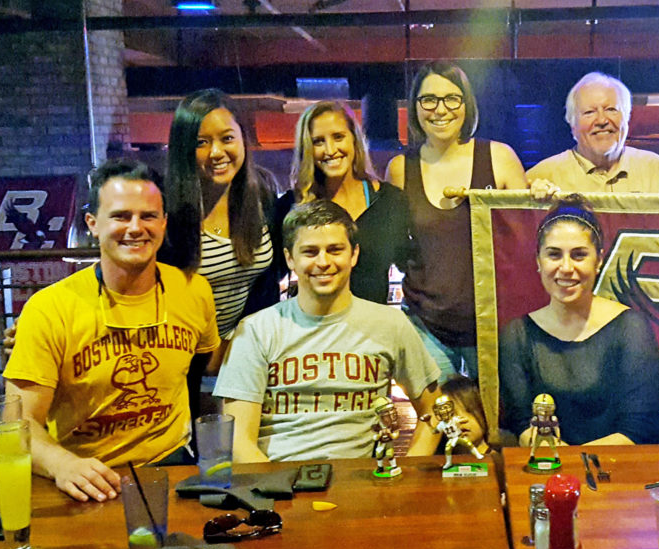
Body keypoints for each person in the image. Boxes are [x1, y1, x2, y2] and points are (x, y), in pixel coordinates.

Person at [3, 159, 220, 502]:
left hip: (174, 468)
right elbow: (16, 425)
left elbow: (209, 364)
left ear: (163, 224)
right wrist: (62, 464)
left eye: (148, 216)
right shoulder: (49, 309)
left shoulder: (194, 291)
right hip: (86, 475)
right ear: (93, 224)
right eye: (121, 216)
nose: (135, 228)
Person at [213, 200, 441, 462]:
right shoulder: (256, 331)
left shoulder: (391, 325)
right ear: (290, 258)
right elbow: (238, 440)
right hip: (279, 487)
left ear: (354, 254)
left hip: (360, 488)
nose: (323, 262)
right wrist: (275, 494)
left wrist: (406, 475)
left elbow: (435, 411)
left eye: (335, 250)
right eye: (310, 252)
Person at [387, 61, 528, 382]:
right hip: (426, 326)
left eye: (452, 98)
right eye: (429, 100)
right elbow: (394, 245)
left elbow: (526, 244)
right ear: (415, 107)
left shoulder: (500, 158)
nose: (440, 109)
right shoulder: (399, 169)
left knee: (499, 427)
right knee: (441, 425)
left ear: (467, 105)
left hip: (495, 325)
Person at [499, 194, 659, 446]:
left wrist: (575, 466)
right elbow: (522, 423)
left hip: (623, 470)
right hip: (552, 471)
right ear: (538, 261)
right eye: (554, 255)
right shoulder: (516, 334)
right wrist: (562, 470)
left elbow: (639, 428)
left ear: (598, 260)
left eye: (579, 255)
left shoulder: (631, 327)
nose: (566, 268)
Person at [162, 88, 290, 391]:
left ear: (243, 139)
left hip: (251, 362)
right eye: (201, 143)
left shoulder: (261, 195)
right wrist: (212, 354)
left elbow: (269, 279)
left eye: (227, 138)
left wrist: (241, 349)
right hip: (185, 367)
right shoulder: (169, 213)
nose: (216, 152)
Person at [290, 101, 408, 304]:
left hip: (372, 330)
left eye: (338, 137)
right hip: (314, 331)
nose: (330, 150)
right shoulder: (292, 206)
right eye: (318, 141)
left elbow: (413, 265)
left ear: (354, 139)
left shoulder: (390, 202)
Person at [527, 72, 659, 194]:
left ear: (627, 117)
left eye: (611, 110)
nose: (601, 120)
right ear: (572, 125)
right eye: (589, 112)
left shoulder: (658, 171)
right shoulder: (543, 177)